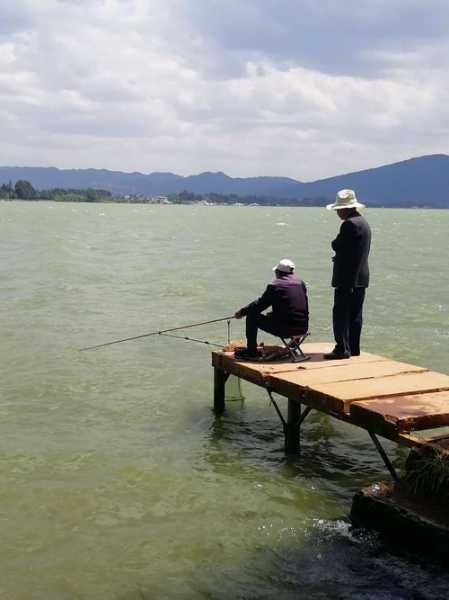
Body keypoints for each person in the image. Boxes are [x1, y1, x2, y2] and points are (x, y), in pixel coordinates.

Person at [324, 189, 371, 359]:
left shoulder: (349, 224)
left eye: (338, 209)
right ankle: (353, 347)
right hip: (361, 278)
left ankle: (342, 348)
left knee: (341, 314)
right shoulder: (363, 223)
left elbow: (337, 245)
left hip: (347, 279)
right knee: (356, 314)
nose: (337, 212)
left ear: (345, 209)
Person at [234, 259, 309, 359]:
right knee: (297, 317)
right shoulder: (301, 283)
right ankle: (293, 345)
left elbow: (258, 306)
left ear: (278, 272)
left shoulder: (275, 286)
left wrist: (242, 312)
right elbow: (295, 307)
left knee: (252, 316)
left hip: (286, 330)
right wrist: (274, 314)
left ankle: (251, 352)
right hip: (303, 328)